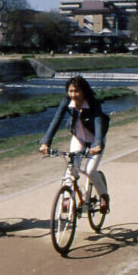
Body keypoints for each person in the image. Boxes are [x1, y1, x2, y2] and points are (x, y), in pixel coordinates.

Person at [39, 76, 111, 213]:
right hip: (79, 138)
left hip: (96, 139)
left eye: (77, 91)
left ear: (84, 91)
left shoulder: (93, 103)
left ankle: (104, 196)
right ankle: (66, 198)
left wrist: (97, 144)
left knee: (90, 171)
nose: (73, 94)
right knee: (71, 167)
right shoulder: (67, 102)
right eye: (70, 91)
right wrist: (46, 142)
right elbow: (56, 121)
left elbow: (99, 123)